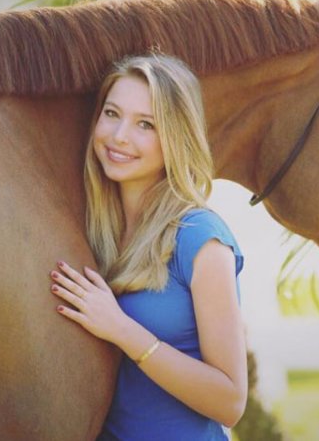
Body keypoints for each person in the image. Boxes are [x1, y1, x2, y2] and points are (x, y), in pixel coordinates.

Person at [49, 54, 247, 440]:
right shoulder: (89, 228)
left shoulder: (200, 237)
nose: (120, 135)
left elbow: (231, 402)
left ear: (176, 137)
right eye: (111, 113)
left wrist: (122, 330)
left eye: (145, 124)